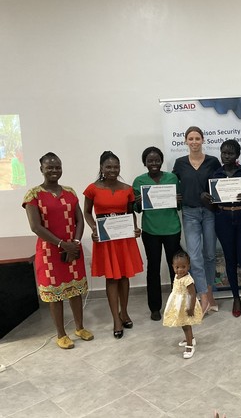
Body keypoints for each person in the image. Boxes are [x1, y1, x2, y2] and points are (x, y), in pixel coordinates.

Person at [23, 153, 93, 349]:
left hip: (73, 249)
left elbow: (79, 219)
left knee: (75, 290)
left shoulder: (70, 192)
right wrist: (63, 244)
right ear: (41, 169)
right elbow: (36, 227)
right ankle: (61, 334)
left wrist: (75, 242)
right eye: (50, 167)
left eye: (57, 167)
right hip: (49, 252)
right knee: (56, 294)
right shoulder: (33, 195)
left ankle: (79, 327)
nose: (54, 171)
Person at [84, 151, 143, 339]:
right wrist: (95, 229)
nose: (112, 170)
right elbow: (86, 212)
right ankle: (116, 319)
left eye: (116, 167)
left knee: (124, 276)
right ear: (101, 168)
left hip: (124, 238)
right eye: (108, 167)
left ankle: (124, 312)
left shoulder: (127, 188)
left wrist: (135, 228)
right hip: (105, 239)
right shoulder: (92, 189)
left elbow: (130, 212)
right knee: (111, 278)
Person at [202, 139, 241, 318]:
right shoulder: (215, 176)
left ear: (237, 155)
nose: (226, 156)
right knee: (230, 261)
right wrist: (207, 201)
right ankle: (236, 298)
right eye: (224, 153)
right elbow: (213, 206)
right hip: (223, 221)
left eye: (231, 153)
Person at [173, 126, 220, 314]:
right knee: (195, 256)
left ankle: (210, 293)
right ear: (185, 141)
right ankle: (202, 296)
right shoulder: (179, 163)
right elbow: (172, 184)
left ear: (203, 140)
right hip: (190, 213)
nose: (194, 142)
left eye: (197, 138)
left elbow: (221, 181)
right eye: (190, 139)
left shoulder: (213, 162)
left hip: (209, 213)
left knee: (209, 254)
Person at [133, 146, 182, 321]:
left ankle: (177, 305)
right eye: (150, 160)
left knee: (175, 268)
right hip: (150, 230)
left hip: (172, 229)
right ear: (145, 163)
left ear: (161, 161)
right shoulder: (139, 181)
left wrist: (178, 201)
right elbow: (136, 209)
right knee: (153, 268)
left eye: (157, 160)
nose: (154, 163)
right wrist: (138, 203)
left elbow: (179, 205)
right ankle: (155, 308)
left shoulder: (172, 178)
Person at [163, 250, 203, 359]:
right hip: (178, 304)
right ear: (173, 267)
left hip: (186, 304)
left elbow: (193, 294)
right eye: (177, 267)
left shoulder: (188, 280)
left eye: (183, 267)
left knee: (186, 325)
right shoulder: (177, 277)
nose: (180, 270)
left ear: (188, 266)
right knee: (183, 323)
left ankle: (190, 346)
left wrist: (191, 308)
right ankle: (191, 339)